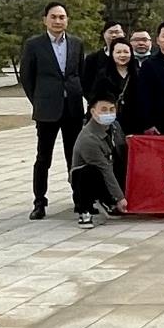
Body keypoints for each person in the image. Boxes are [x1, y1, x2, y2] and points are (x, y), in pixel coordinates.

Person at [18, 2, 86, 221]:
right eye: (54, 17)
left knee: (74, 156)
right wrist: (39, 101)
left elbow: (80, 74)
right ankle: (39, 202)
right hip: (47, 110)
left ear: (67, 20)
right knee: (43, 158)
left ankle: (79, 199)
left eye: (62, 17)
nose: (58, 21)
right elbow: (27, 77)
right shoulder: (34, 45)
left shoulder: (76, 43)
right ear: (45, 19)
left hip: (73, 108)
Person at [70, 95, 127, 229]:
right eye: (103, 110)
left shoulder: (115, 127)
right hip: (88, 177)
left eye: (112, 109)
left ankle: (107, 200)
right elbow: (104, 169)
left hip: (108, 168)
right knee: (88, 172)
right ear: (93, 112)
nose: (108, 113)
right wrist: (120, 198)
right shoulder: (88, 138)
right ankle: (84, 210)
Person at [81, 21, 125, 92]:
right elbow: (86, 84)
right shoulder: (93, 59)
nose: (114, 35)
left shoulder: (130, 57)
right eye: (110, 32)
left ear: (123, 34)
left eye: (117, 32)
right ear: (104, 35)